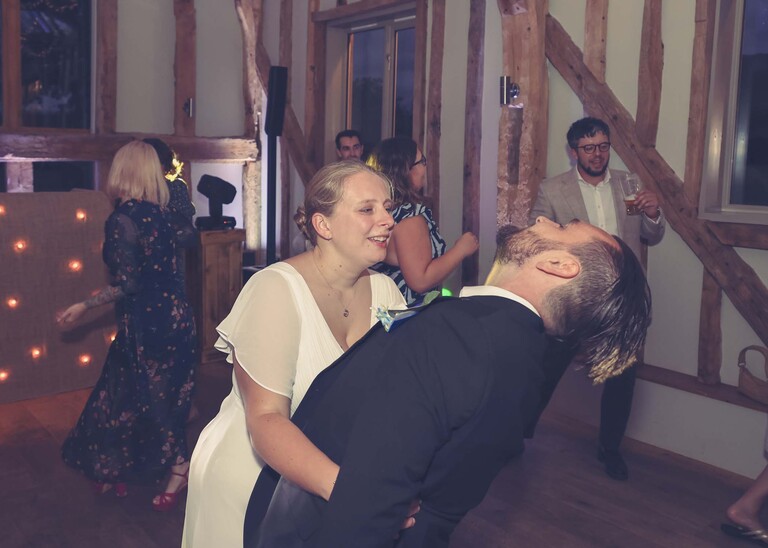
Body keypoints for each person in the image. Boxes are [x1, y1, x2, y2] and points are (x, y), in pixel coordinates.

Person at [248, 217, 653, 547]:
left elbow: (370, 501)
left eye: (563, 227)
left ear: (561, 266)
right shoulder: (523, 355)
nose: (545, 218)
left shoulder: (462, 335)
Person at [181, 161, 406, 548]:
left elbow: (399, 395)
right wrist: (355, 496)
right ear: (324, 225)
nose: (387, 220)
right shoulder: (275, 290)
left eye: (388, 207)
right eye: (368, 209)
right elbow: (267, 420)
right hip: (253, 483)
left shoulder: (387, 293)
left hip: (334, 477)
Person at [57, 140, 198, 509]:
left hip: (146, 324)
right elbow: (190, 238)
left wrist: (83, 306)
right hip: (179, 317)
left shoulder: (123, 219)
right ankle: (113, 469)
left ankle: (181, 467)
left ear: (122, 171)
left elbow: (129, 284)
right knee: (127, 391)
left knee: (150, 399)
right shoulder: (166, 215)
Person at [527, 116, 666, 481]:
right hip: (576, 297)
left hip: (622, 300)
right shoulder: (554, 190)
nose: (597, 154)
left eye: (603, 146)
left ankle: (610, 449)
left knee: (622, 377)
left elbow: (650, 234)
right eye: (589, 148)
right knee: (546, 370)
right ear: (574, 152)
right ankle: (518, 434)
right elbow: (538, 239)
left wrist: (653, 214)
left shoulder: (628, 184)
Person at [367, 136, 479, 305]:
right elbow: (420, 280)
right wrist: (461, 250)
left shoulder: (381, 211)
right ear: (406, 170)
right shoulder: (410, 217)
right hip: (407, 312)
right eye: (422, 161)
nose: (425, 167)